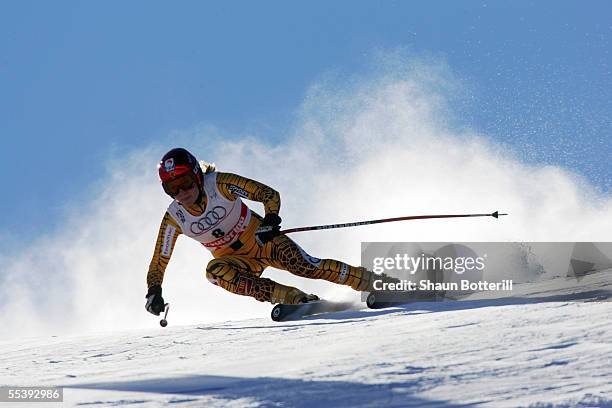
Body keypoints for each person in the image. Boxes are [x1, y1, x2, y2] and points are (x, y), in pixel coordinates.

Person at [145, 147, 391, 316]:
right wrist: (154, 291)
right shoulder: (175, 218)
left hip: (264, 242)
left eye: (186, 183)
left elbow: (267, 194)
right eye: (173, 189)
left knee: (305, 266)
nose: (182, 193)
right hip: (239, 261)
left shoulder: (219, 185)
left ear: (197, 176)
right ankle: (295, 299)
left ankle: (373, 281)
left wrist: (270, 219)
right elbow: (159, 261)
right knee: (215, 272)